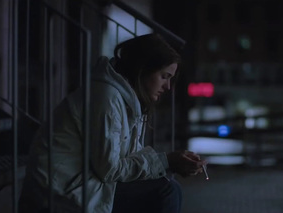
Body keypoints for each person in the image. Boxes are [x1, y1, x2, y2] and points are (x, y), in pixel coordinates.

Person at [18, 33, 207, 213]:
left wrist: (168, 163)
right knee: (166, 192)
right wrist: (166, 161)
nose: (167, 87)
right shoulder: (107, 97)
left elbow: (125, 159)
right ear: (143, 69)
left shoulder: (124, 99)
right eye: (164, 76)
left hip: (83, 183)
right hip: (59, 192)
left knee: (167, 187)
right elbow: (109, 169)